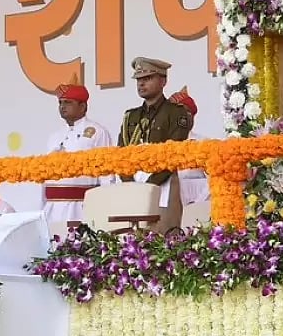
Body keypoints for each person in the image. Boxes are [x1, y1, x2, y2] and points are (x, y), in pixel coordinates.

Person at [118, 58, 194, 220]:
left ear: (163, 81)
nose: (141, 84)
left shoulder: (176, 113)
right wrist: (130, 183)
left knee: (162, 238)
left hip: (162, 185)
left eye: (148, 78)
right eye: (139, 80)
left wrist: (149, 185)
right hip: (132, 188)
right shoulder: (130, 115)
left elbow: (175, 153)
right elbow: (120, 154)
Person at [43, 83, 114, 231]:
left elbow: (106, 174)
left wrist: (105, 209)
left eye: (68, 102)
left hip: (81, 207)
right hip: (52, 208)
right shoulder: (54, 137)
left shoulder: (97, 132)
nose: (62, 106)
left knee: (80, 250)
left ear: (83, 106)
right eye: (60, 103)